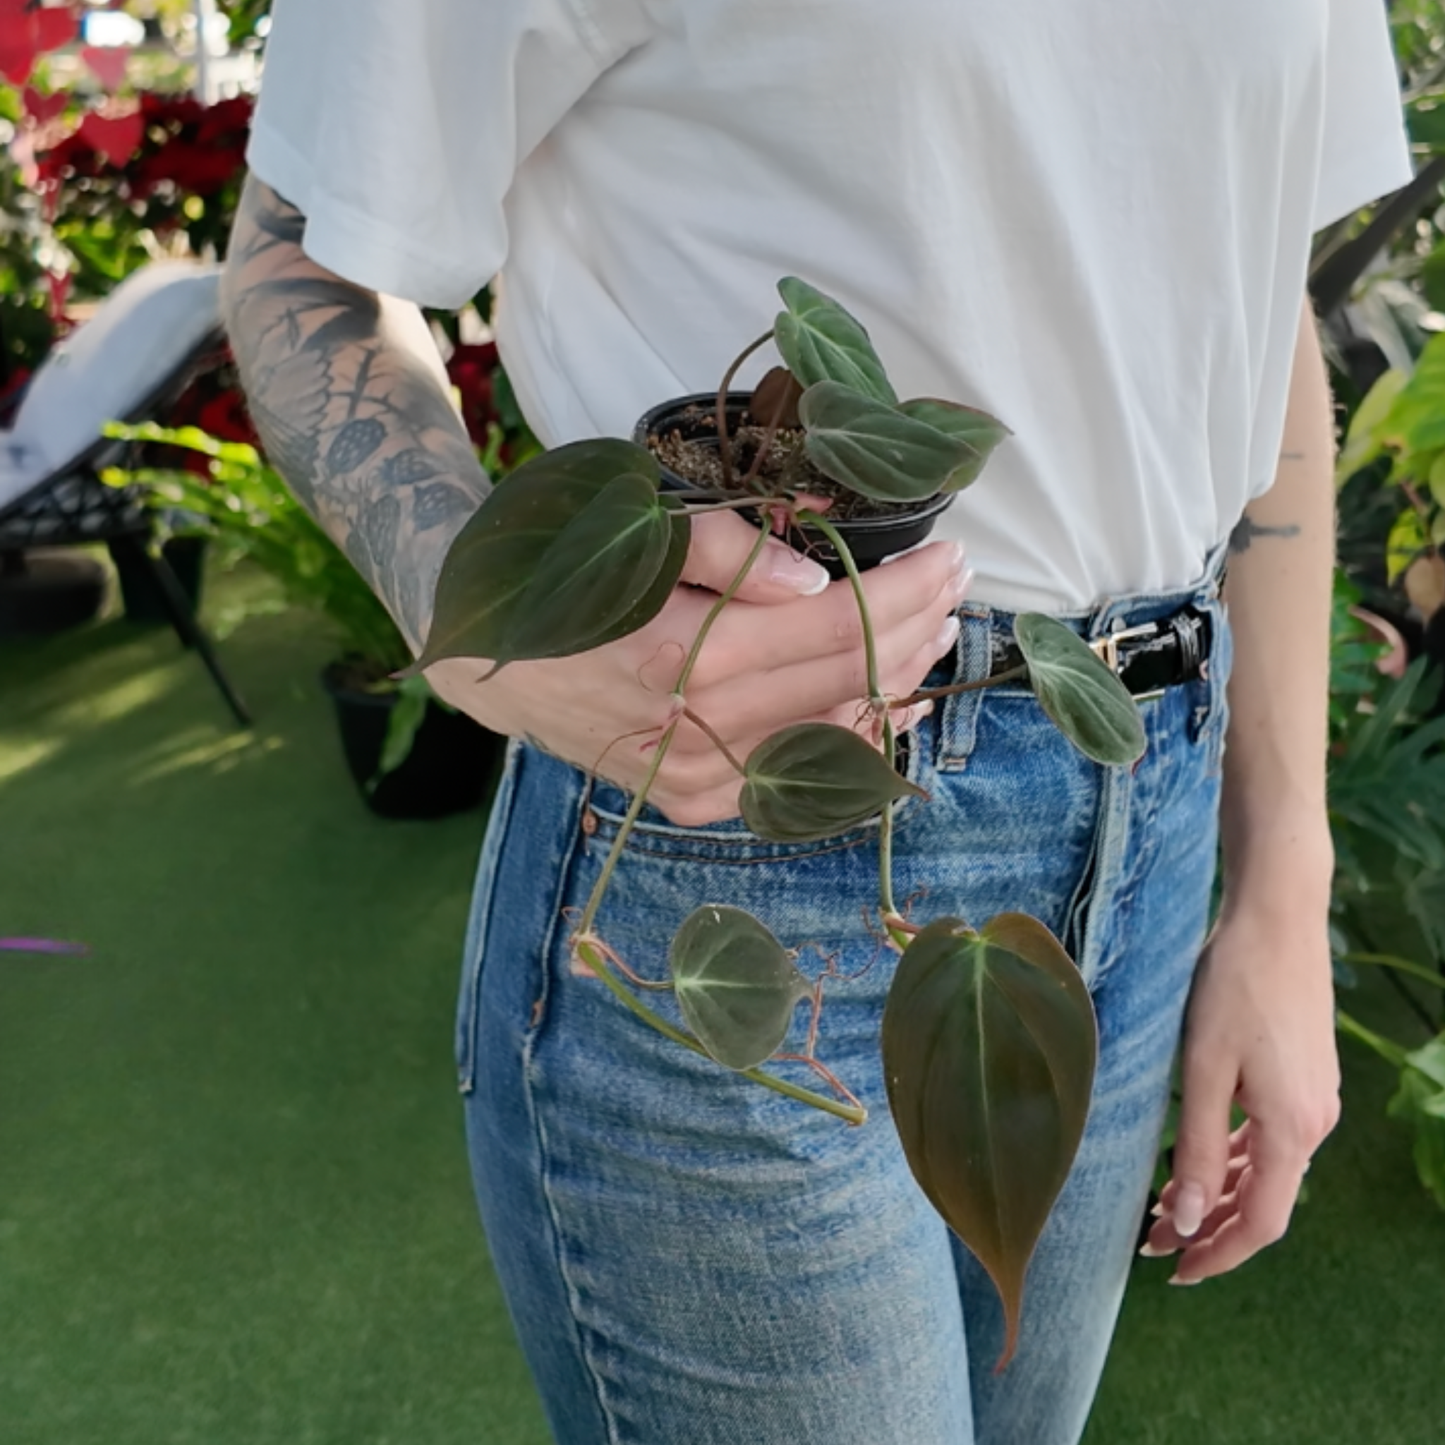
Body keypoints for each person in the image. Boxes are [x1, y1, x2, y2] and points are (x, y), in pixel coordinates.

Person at [221, 3, 1412, 1441]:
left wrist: (1285, 874)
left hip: (1146, 811)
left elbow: (1248, 274)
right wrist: (493, 645)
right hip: (741, 845)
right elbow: (303, 259)